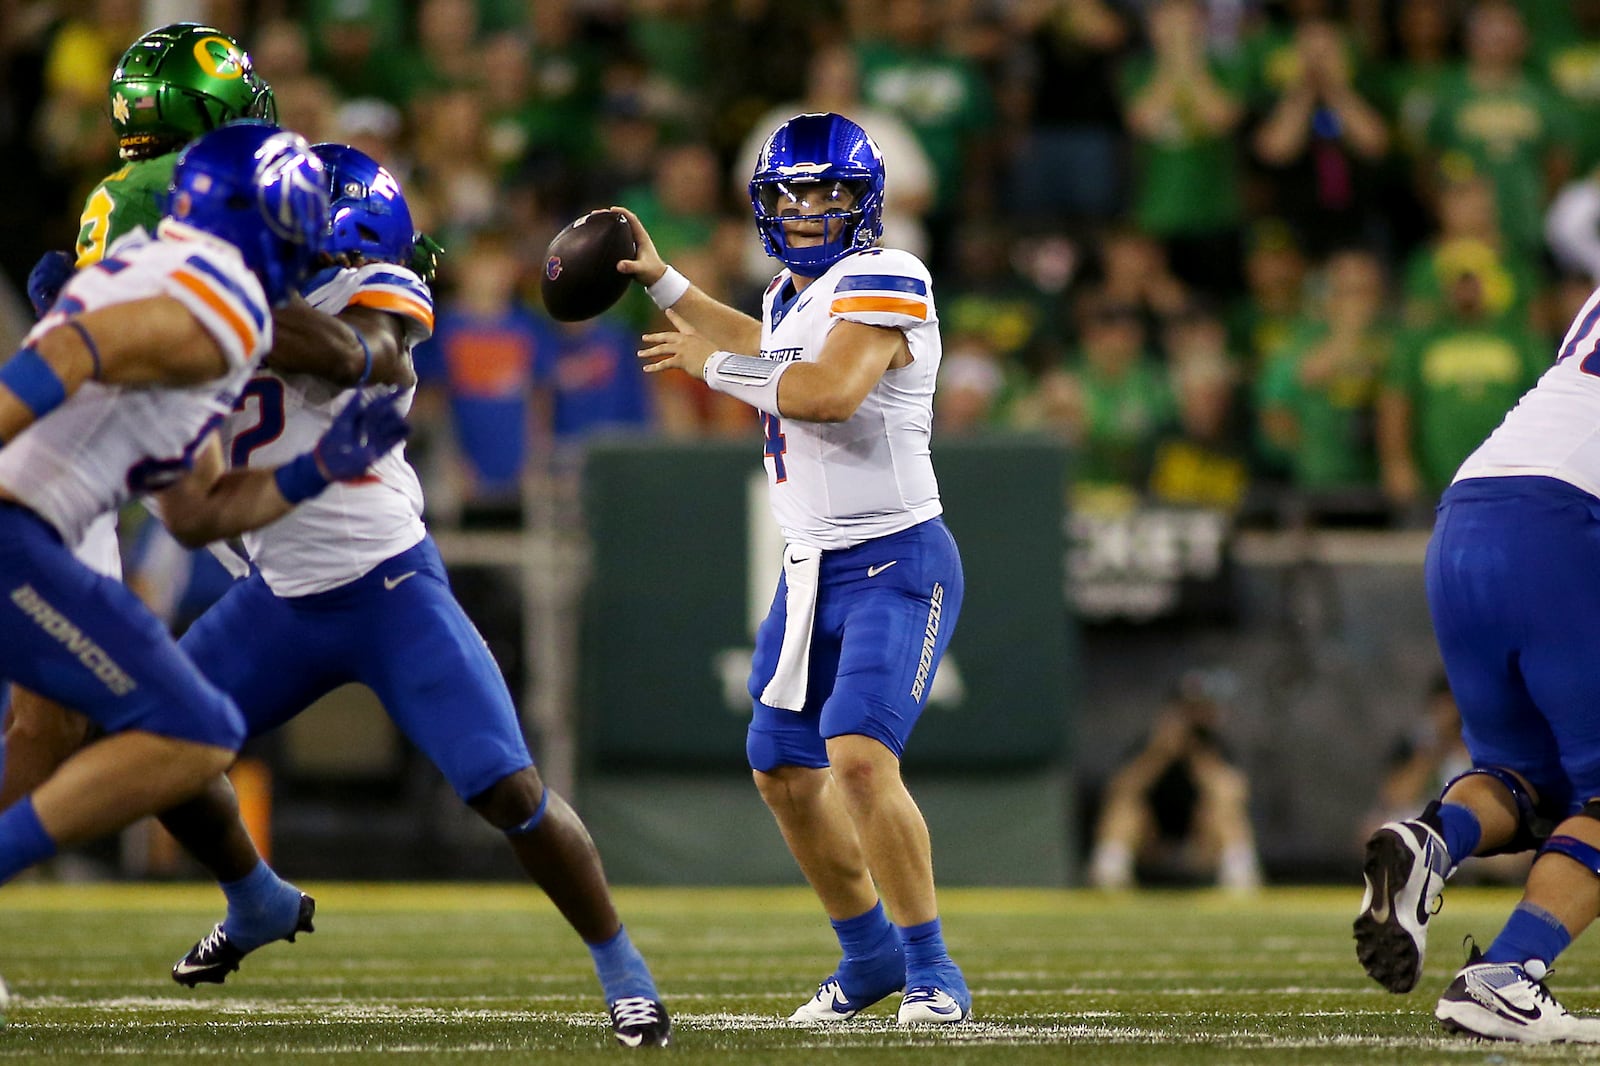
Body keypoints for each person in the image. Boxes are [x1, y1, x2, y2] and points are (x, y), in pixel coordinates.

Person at [147, 145, 671, 1050]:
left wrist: (221, 301)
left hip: (387, 587)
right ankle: (258, 900)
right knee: (146, 743)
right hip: (275, 598)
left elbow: (371, 360)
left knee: (509, 790)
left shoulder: (367, 292)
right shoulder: (224, 292)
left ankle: (625, 970)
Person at [620, 111, 970, 1025]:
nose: (809, 209)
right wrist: (664, 284)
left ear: (866, 203)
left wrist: (713, 368)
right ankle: (868, 960)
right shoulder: (787, 295)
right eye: (792, 194)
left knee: (857, 756)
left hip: (898, 557)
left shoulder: (891, 276)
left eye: (828, 193)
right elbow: (762, 340)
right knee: (778, 765)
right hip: (812, 565)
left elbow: (826, 390)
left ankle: (933, 969)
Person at [0, 121, 403, 887]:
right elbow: (71, 350)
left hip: (38, 536)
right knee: (183, 731)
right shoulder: (224, 302)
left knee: (184, 729)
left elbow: (196, 511)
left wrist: (316, 470)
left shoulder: (187, 279)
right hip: (18, 528)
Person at [10, 18, 278, 849]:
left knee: (57, 726)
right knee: (165, 723)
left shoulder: (135, 191)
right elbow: (97, 344)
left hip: (89, 467)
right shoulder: (184, 210)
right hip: (60, 481)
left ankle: (255, 893)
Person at [1353, 267, 1600, 1042]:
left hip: (1467, 511)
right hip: (1562, 523)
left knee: (1528, 783)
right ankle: (1507, 973)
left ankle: (1432, 839)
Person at [1085, 670, 1261, 892]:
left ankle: (1241, 882)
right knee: (1125, 809)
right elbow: (1119, 789)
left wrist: (1198, 756)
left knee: (1223, 813)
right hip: (1152, 843)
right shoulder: (1148, 746)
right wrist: (1159, 753)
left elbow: (1233, 795)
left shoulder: (1215, 747)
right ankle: (1108, 878)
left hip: (1197, 845)